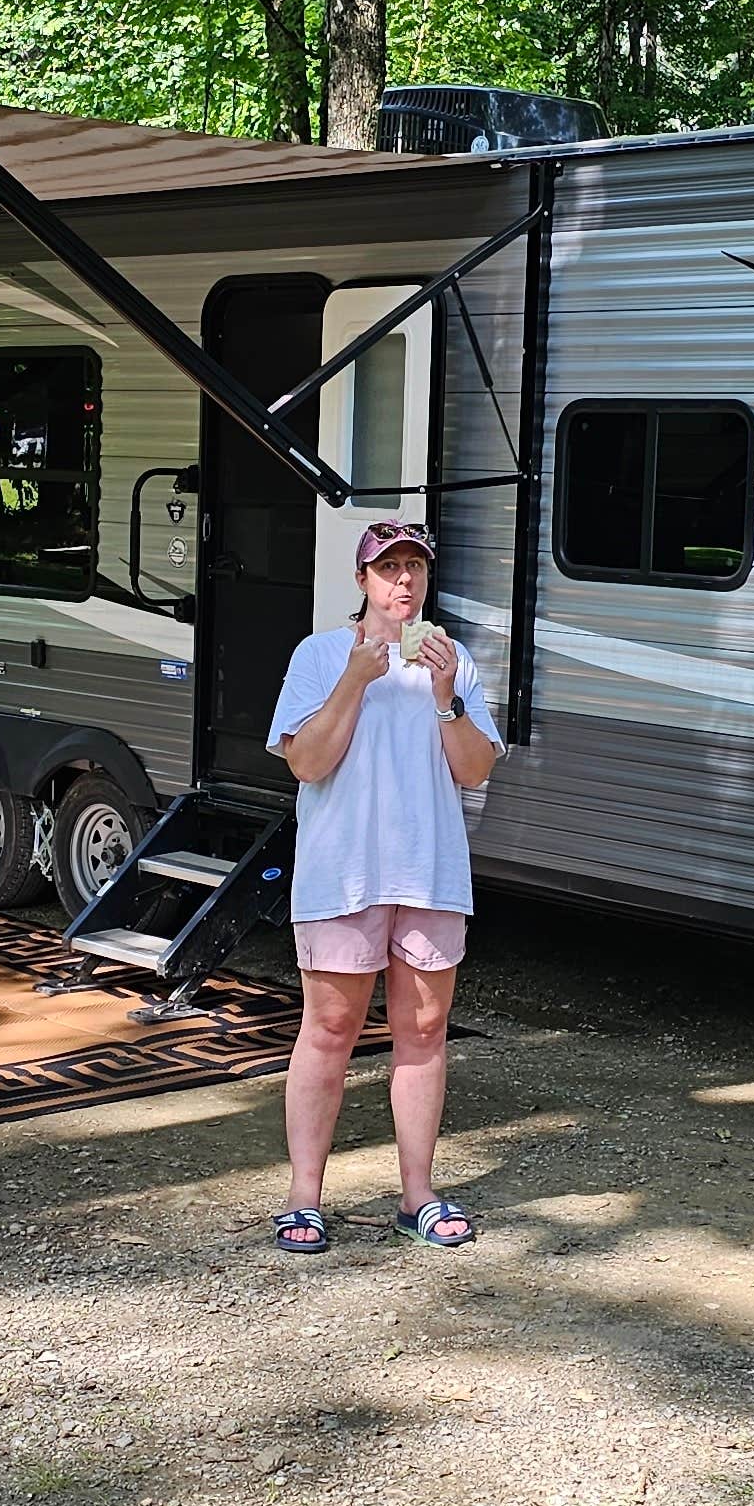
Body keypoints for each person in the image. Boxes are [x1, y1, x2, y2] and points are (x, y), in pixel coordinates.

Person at [265, 519, 501, 1252]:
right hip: (344, 873)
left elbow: (474, 770)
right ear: (362, 580)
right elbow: (306, 763)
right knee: (329, 1030)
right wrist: (353, 681)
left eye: (415, 568)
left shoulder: (451, 658)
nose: (405, 580)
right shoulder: (319, 654)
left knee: (424, 1033)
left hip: (429, 873)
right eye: (389, 567)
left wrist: (444, 695)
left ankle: (417, 1196)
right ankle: (304, 1198)